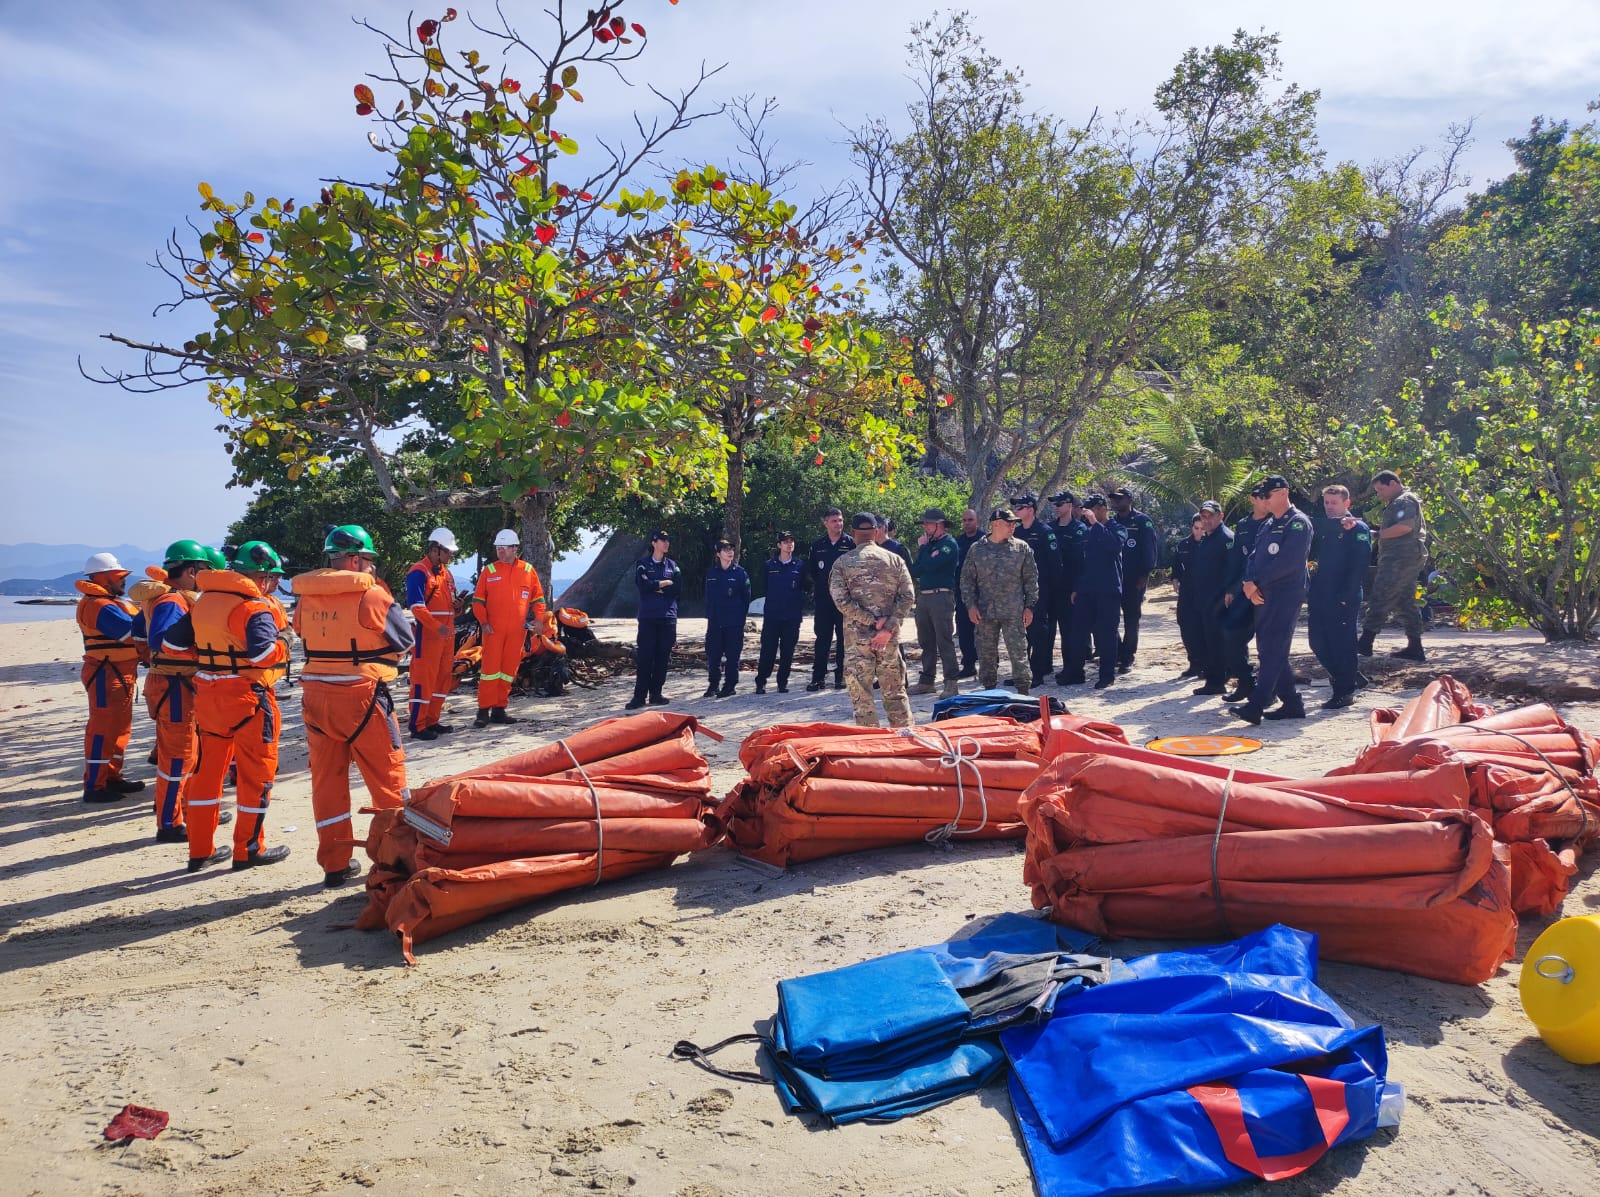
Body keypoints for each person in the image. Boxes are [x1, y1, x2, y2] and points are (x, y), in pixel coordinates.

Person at [293, 525, 416, 887]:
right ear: (354, 558)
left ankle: (334, 864)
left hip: (316, 698)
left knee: (327, 784)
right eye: (368, 560)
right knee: (388, 780)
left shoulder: (306, 598)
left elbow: (303, 633)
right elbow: (405, 641)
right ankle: (399, 861)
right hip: (363, 696)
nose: (370, 566)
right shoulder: (373, 595)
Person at [160, 541, 292, 871]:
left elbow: (170, 643)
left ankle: (200, 851)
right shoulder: (253, 608)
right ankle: (248, 850)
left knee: (207, 775)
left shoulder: (203, 604)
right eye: (270, 577)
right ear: (260, 575)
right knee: (256, 776)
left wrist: (208, 660)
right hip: (248, 699)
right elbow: (262, 655)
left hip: (209, 698)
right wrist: (286, 642)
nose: (272, 584)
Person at [129, 541, 217, 841]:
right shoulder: (172, 602)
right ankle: (169, 823)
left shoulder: (164, 598)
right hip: (174, 686)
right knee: (177, 757)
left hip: (174, 683)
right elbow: (158, 641)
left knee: (185, 754)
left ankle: (183, 809)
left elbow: (139, 630)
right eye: (204, 570)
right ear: (191, 571)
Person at [1235, 475, 1314, 725]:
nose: (1263, 501)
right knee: (1270, 648)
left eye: (1267, 496)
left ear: (1282, 493)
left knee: (1273, 649)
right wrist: (1248, 583)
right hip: (1262, 593)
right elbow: (1253, 558)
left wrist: (1256, 583)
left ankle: (1256, 704)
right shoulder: (1268, 525)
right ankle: (1291, 703)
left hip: (1284, 593)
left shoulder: (1298, 523)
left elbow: (1288, 563)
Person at [829, 513, 916, 727]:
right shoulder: (895, 560)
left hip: (857, 641)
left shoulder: (842, 563)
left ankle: (870, 745)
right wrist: (887, 627)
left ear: (853, 534)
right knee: (895, 692)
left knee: (862, 697)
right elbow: (908, 597)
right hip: (887, 639)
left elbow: (841, 601)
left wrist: (869, 620)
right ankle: (906, 741)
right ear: (877, 532)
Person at [75, 552, 145, 803]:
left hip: (120, 672)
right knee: (102, 730)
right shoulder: (98, 605)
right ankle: (94, 786)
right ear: (103, 577)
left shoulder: (109, 603)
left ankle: (112, 777)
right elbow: (131, 632)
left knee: (119, 729)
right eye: (119, 576)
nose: (124, 580)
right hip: (106, 674)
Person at [470, 528, 547, 727]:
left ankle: (499, 709)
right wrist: (484, 622)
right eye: (498, 548)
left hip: (516, 632)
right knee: (489, 670)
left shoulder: (528, 571)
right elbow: (477, 601)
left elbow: (538, 599)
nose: (501, 552)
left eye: (505, 548)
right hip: (493, 631)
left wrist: (539, 619)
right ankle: (483, 711)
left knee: (508, 671)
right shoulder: (490, 571)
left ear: (515, 549)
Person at [960, 507, 1039, 694]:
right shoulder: (976, 549)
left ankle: (1023, 691)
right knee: (986, 654)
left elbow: (1031, 579)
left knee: (1019, 653)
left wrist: (1030, 607)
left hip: (1014, 611)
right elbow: (966, 580)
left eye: (1014, 524)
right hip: (985, 612)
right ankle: (989, 691)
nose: (1012, 527)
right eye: (1008, 523)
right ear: (995, 524)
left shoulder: (1021, 548)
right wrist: (970, 606)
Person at [1309, 486, 1373, 710]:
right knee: (1316, 642)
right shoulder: (1327, 528)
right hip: (1321, 593)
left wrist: (1347, 594)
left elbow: (1359, 565)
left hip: (1343, 596)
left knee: (1342, 644)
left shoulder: (1357, 528)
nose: (1329, 507)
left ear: (1347, 503)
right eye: (1326, 502)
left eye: (1333, 502)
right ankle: (1351, 677)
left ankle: (1344, 692)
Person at [1358, 470, 1429, 662]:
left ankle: (1365, 642)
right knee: (1404, 601)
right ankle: (1415, 647)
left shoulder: (1403, 501)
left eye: (1381, 489)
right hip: (1403, 557)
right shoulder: (1400, 501)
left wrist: (1377, 535)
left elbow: (1405, 527)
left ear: (1393, 484)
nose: (1379, 494)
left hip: (1401, 557)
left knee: (1382, 593)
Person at [405, 527, 459, 741]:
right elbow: (417, 607)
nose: (451, 555)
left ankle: (432, 720)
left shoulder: (446, 573)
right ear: (435, 549)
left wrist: (458, 607)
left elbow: (449, 604)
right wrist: (437, 627)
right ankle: (417, 725)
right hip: (427, 637)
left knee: (442, 679)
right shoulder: (418, 572)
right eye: (448, 551)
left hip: (446, 636)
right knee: (423, 681)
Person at [1219, 487, 1270, 704]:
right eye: (1262, 497)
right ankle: (1246, 681)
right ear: (1253, 499)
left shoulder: (1276, 522)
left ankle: (1270, 691)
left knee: (1268, 641)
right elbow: (1236, 560)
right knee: (1231, 632)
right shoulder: (1243, 525)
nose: (1267, 501)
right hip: (1244, 587)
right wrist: (1231, 588)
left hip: (1268, 588)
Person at [1067, 495, 1123, 690]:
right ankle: (1075, 672)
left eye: (1090, 508)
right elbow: (1081, 562)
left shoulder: (1117, 528)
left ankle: (1107, 675)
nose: (1086, 512)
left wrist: (1095, 524)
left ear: (1102, 508)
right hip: (1086, 589)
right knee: (1078, 632)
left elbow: (1115, 546)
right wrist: (1076, 587)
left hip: (1108, 590)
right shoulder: (1087, 531)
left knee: (1107, 634)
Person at [909, 507, 961, 697]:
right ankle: (926, 681)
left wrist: (923, 549)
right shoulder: (928, 546)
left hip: (941, 596)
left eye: (928, 523)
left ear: (940, 525)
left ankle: (951, 683)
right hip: (924, 596)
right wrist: (924, 550)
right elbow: (915, 571)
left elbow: (929, 566)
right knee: (925, 640)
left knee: (944, 639)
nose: (925, 526)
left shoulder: (949, 544)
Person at [627, 530, 680, 710]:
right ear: (653, 543)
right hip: (648, 617)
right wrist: (664, 583)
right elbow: (643, 585)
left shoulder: (673, 565)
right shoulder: (643, 564)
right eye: (662, 540)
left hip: (668, 617)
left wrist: (655, 586)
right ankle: (639, 696)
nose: (666, 543)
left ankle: (656, 694)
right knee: (645, 657)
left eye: (668, 540)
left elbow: (678, 588)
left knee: (662, 657)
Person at [1108, 487, 1159, 673]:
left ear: (1129, 500)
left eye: (1119, 499)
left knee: (1131, 618)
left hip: (1134, 578)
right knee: (1109, 618)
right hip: (1114, 578)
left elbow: (1150, 549)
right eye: (1113, 499)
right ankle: (1117, 652)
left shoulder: (1142, 521)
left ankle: (1128, 657)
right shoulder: (1112, 522)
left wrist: (1145, 574)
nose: (1115, 502)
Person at [803, 508, 855, 691]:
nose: (838, 524)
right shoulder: (817, 546)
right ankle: (818, 678)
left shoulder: (850, 544)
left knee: (844, 639)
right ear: (825, 522)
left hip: (845, 602)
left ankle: (841, 677)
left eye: (840, 520)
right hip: (824, 600)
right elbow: (814, 573)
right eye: (834, 521)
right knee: (822, 639)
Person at [1011, 494, 1059, 686]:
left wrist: (1048, 590)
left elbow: (1055, 564)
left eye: (1020, 508)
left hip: (1039, 589)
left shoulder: (1045, 532)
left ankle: (1037, 672)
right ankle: (1022, 672)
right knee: (1019, 632)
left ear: (1031, 509)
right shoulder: (1016, 532)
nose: (1016, 511)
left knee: (1038, 631)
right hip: (1017, 590)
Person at [1188, 501, 1233, 696]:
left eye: (1210, 516)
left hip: (1219, 599)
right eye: (1203, 516)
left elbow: (1234, 568)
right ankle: (1215, 678)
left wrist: (1229, 592)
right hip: (1204, 598)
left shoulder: (1226, 538)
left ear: (1220, 516)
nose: (1206, 520)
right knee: (1207, 641)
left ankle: (1218, 681)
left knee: (1217, 642)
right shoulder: (1208, 537)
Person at [754, 531, 805, 694]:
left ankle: (782, 683)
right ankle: (761, 682)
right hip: (772, 616)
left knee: (787, 651)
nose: (789, 544)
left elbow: (805, 587)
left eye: (791, 541)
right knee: (768, 650)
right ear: (779, 545)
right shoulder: (769, 565)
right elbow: (762, 586)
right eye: (785, 541)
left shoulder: (800, 565)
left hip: (792, 616)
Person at [703, 539, 751, 697]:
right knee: (714, 655)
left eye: (731, 548)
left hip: (734, 622)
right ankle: (713, 685)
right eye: (725, 549)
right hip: (716, 621)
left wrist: (739, 617)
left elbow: (746, 597)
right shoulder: (711, 573)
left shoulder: (740, 573)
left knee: (732, 655)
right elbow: (708, 597)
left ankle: (730, 686)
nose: (730, 552)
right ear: (718, 554)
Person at [1049, 493, 1088, 685]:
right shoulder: (1050, 528)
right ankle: (1065, 668)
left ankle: (1076, 671)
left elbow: (1081, 562)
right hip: (1053, 586)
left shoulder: (1079, 529)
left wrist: (1077, 587)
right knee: (1057, 630)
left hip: (1071, 587)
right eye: (1054, 504)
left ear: (1070, 506)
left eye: (1060, 504)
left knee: (1072, 631)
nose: (1056, 507)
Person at [1172, 514, 1207, 679]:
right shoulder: (1183, 545)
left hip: (1205, 591)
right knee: (1185, 625)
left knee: (1203, 628)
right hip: (1187, 591)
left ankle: (1207, 665)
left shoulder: (1211, 543)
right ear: (1191, 527)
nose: (1199, 532)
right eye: (1196, 528)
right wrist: (1175, 578)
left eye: (1202, 528)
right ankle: (1194, 663)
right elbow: (1177, 565)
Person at [952, 508, 982, 678]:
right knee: (964, 630)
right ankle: (969, 665)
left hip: (983, 593)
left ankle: (990, 664)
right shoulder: (958, 542)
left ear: (977, 521)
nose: (966, 523)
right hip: (963, 593)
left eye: (970, 520)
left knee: (985, 631)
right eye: (964, 520)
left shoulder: (984, 540)